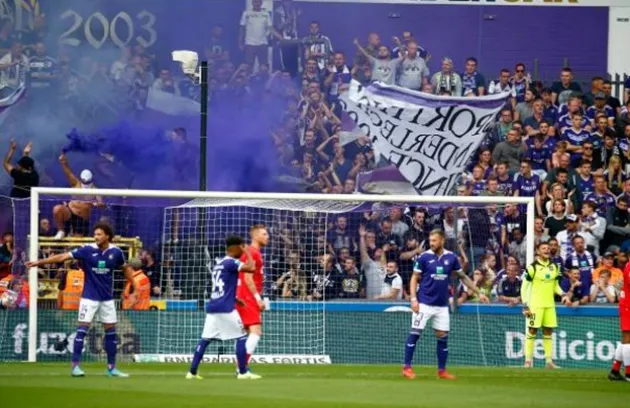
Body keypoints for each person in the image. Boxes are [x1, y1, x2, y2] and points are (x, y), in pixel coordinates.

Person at [25, 222, 134, 377]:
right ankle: (75, 367)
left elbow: (125, 269)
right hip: (89, 298)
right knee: (82, 330)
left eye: (99, 234)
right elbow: (63, 256)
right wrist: (38, 263)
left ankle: (111, 368)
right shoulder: (87, 250)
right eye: (95, 234)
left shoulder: (116, 252)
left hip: (107, 299)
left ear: (107, 236)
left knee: (111, 332)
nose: (96, 237)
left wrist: (133, 286)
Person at [403, 229, 489, 380]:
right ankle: (407, 367)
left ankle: (441, 371)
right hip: (424, 303)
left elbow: (463, 277)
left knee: (442, 337)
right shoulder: (424, 257)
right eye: (430, 241)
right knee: (415, 333)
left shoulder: (451, 257)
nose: (432, 243)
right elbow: (414, 278)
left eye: (434, 240)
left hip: (442, 305)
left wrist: (478, 292)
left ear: (442, 240)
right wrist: (413, 299)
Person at [186, 235, 256, 380]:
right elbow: (251, 267)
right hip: (226, 308)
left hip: (213, 306)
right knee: (242, 337)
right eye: (241, 247)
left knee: (205, 339)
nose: (242, 250)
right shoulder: (231, 262)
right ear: (235, 247)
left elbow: (220, 287)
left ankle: (192, 372)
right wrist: (248, 252)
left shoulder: (219, 263)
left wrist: (235, 299)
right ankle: (243, 372)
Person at [521, 242, 570, 369]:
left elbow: (555, 286)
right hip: (535, 305)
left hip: (550, 305)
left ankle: (549, 362)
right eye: (543, 248)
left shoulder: (554, 266)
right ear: (537, 251)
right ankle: (527, 361)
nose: (547, 250)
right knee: (532, 331)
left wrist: (563, 294)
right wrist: (525, 305)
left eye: (548, 248)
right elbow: (524, 286)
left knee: (548, 332)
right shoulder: (532, 267)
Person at [236, 224, 269, 376]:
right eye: (264, 234)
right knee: (255, 332)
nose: (267, 236)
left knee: (247, 333)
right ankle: (242, 368)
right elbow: (248, 278)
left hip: (243, 295)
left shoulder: (253, 252)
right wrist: (258, 299)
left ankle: (241, 367)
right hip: (247, 296)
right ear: (255, 236)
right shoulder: (252, 252)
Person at [52, 153, 103, 239]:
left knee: (75, 245)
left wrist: (98, 204)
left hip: (81, 219)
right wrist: (63, 162)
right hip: (69, 212)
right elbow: (68, 172)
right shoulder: (76, 183)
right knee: (57, 209)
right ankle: (61, 231)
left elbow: (101, 203)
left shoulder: (96, 190)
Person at [608, 256, 630, 381]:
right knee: (628, 339)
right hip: (628, 305)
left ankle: (615, 370)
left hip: (626, 303)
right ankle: (628, 373)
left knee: (625, 339)